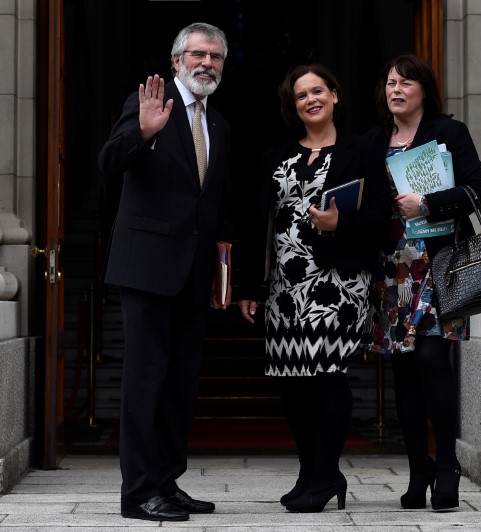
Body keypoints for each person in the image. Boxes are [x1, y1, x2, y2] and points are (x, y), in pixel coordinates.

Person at [235, 64, 391, 513]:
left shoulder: (360, 151)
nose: (310, 100)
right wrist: (251, 286)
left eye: (317, 91)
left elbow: (382, 215)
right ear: (294, 105)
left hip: (338, 284)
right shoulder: (276, 156)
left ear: (335, 95)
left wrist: (342, 221)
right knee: (292, 382)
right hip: (284, 285)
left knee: (325, 375)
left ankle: (324, 475)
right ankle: (311, 473)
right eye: (301, 95)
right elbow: (257, 224)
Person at [97, 22, 232, 522]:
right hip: (147, 270)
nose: (206, 63)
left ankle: (166, 482)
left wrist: (224, 273)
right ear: (176, 61)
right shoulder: (147, 105)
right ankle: (137, 493)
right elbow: (108, 162)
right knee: (145, 380)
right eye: (196, 54)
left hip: (194, 275)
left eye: (215, 56)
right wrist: (142, 132)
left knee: (180, 384)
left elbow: (216, 206)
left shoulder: (219, 125)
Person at [364, 54, 481, 512]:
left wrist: (429, 204)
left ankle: (448, 468)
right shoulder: (373, 142)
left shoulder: (448, 133)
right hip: (392, 269)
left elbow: (477, 189)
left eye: (406, 82)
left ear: (424, 90)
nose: (395, 90)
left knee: (433, 359)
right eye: (390, 82)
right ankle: (418, 469)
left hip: (439, 266)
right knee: (403, 370)